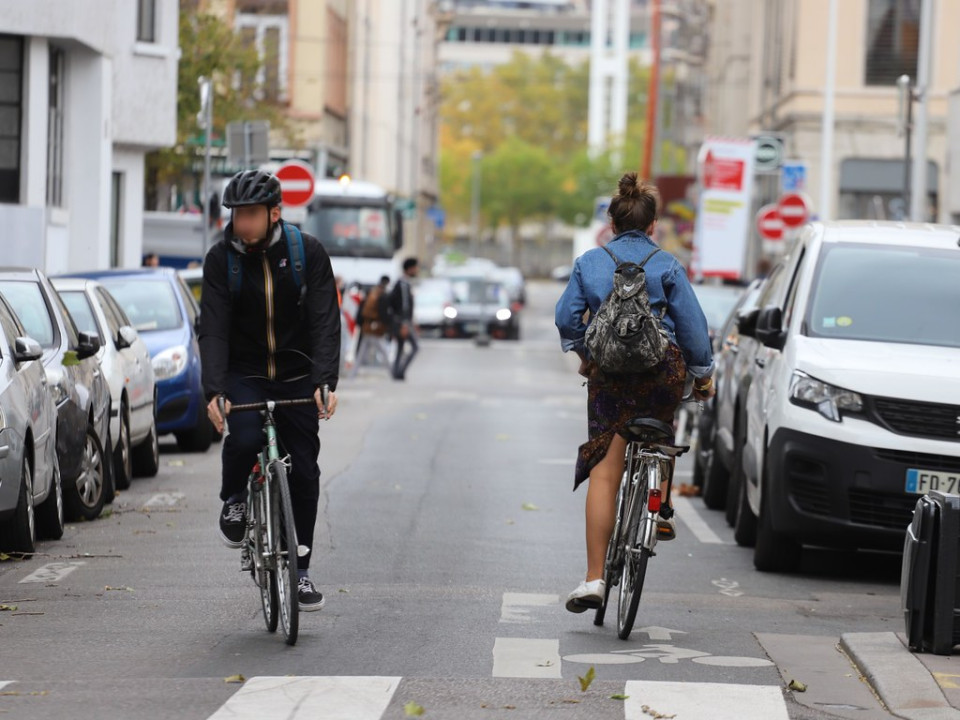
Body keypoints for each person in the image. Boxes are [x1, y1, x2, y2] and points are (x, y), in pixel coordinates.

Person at [555, 172, 716, 614]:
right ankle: (659, 506)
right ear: (653, 225)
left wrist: (585, 351)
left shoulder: (590, 261)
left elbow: (566, 317)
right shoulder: (666, 264)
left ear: (610, 223)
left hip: (608, 374)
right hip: (658, 372)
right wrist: (702, 376)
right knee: (659, 431)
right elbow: (694, 332)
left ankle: (593, 580)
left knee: (607, 469)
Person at [198, 169, 341, 612]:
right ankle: (235, 500)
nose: (242, 223)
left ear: (274, 213)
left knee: (305, 473)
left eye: (251, 215)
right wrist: (215, 389)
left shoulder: (307, 253)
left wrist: (325, 381)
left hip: (298, 372)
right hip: (246, 371)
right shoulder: (221, 260)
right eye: (237, 215)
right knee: (243, 437)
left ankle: (300, 573)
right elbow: (215, 328)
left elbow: (324, 320)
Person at [389, 257, 419, 380]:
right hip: (402, 322)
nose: (417, 270)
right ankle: (399, 371)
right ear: (410, 268)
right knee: (415, 346)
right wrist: (405, 324)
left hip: (403, 322)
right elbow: (404, 306)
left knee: (401, 347)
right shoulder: (403, 284)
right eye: (416, 268)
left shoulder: (404, 283)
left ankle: (397, 372)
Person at [356, 275, 392, 370]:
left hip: (368, 325)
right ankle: (393, 372)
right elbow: (382, 312)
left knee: (362, 352)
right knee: (383, 351)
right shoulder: (380, 294)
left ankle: (353, 374)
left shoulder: (372, 292)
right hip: (374, 326)